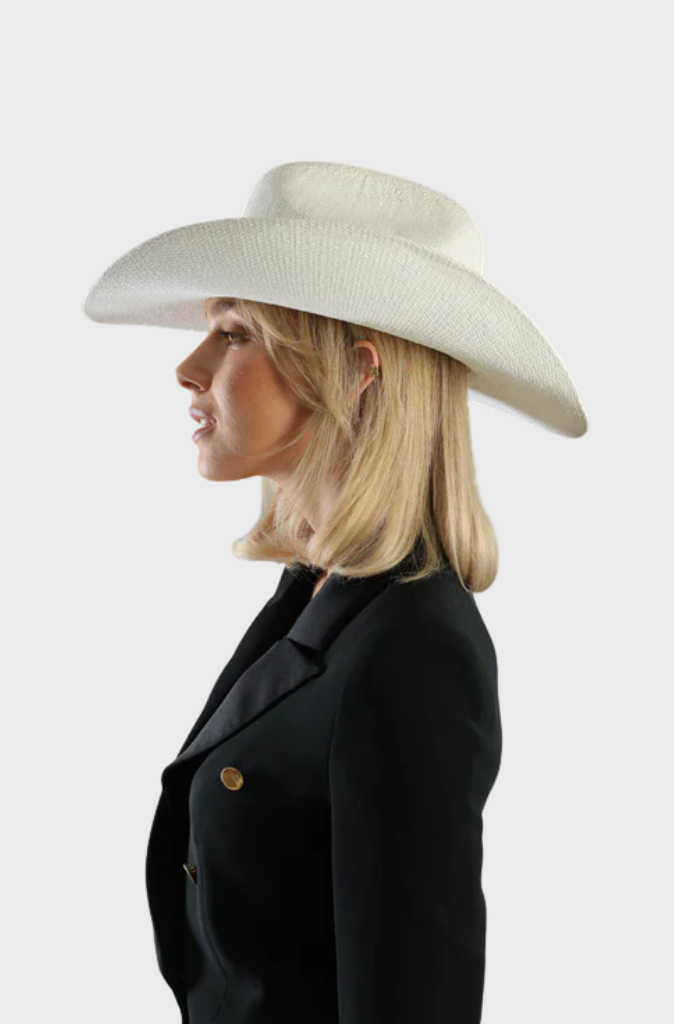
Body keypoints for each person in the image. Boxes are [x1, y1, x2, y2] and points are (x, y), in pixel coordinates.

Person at [83, 161, 588, 1023]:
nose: (188, 367)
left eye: (235, 333)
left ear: (355, 371)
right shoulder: (316, 600)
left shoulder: (409, 650)